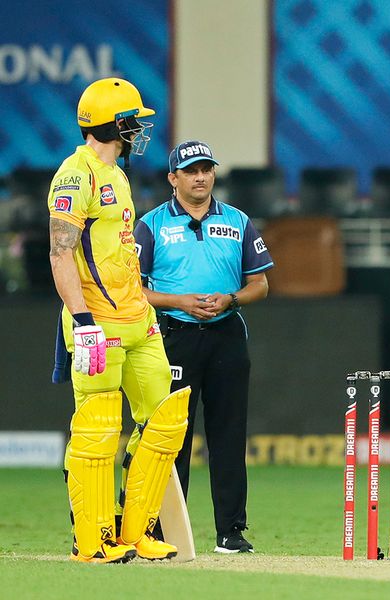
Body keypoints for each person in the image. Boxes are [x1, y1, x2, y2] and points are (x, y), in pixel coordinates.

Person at [48, 78, 190, 563]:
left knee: (165, 423)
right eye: (134, 122)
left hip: (138, 318)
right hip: (98, 323)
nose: (139, 130)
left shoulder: (118, 175)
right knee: (98, 429)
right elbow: (60, 254)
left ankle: (136, 532)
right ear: (113, 125)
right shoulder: (75, 175)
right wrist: (82, 320)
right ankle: (91, 540)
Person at [133, 141, 273, 553]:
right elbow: (133, 291)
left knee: (229, 436)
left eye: (207, 169)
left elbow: (260, 284)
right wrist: (180, 301)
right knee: (171, 439)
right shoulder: (152, 224)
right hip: (173, 336)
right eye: (191, 170)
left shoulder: (238, 220)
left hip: (227, 334)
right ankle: (158, 531)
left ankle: (231, 531)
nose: (201, 177)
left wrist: (231, 299)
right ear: (172, 178)